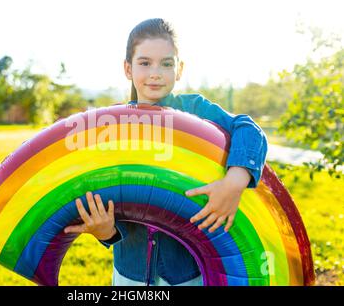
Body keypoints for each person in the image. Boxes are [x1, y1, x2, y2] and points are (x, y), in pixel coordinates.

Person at [64, 18, 268, 286]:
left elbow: (249, 130)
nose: (156, 73)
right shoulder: (114, 125)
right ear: (128, 68)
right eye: (145, 62)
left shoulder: (195, 111)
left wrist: (234, 182)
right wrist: (106, 232)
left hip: (188, 272)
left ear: (179, 69)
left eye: (167, 63)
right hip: (130, 273)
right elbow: (112, 191)